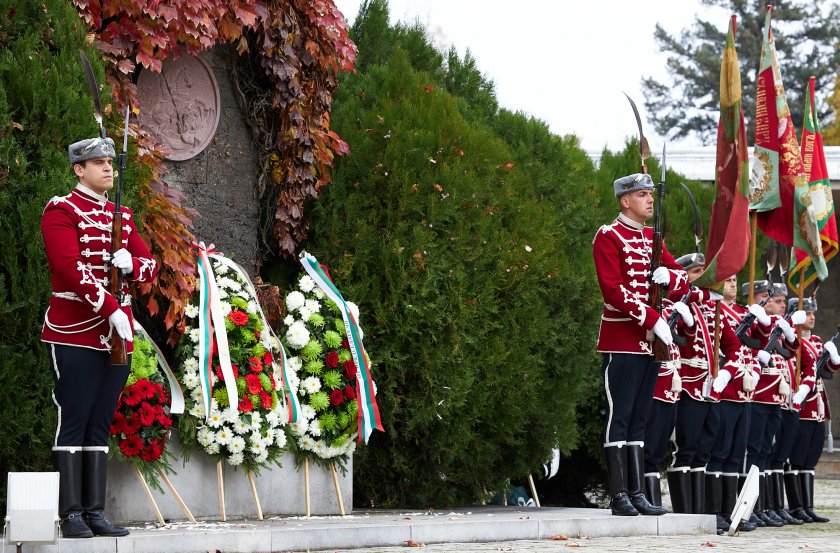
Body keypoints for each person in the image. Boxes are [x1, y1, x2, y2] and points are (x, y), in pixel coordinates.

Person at [41, 136, 158, 538]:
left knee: (100, 421)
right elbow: (68, 267)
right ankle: (70, 513)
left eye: (110, 161)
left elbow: (149, 266)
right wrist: (109, 307)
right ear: (79, 169)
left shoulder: (122, 217)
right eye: (97, 162)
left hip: (115, 336)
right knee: (73, 418)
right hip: (75, 330)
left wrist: (132, 265)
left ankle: (94, 511)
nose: (108, 168)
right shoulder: (61, 210)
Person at [592, 173, 689, 516]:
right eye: (642, 194)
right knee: (619, 416)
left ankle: (636, 493)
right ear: (624, 200)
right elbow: (613, 290)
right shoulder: (609, 236)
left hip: (650, 344)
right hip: (622, 340)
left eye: (651, 194)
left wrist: (670, 277)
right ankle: (619, 495)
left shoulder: (652, 239)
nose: (650, 200)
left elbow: (682, 279)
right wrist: (652, 318)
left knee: (639, 419)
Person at [705, 276, 763, 533]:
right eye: (727, 280)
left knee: (736, 456)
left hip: (745, 392)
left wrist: (760, 319)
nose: (732, 284)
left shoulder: (742, 313)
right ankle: (714, 512)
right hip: (726, 391)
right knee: (719, 453)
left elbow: (757, 343)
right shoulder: (718, 311)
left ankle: (731, 511)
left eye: (735, 280)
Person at [746, 283, 806, 527]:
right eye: (778, 301)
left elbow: (791, 352)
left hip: (775, 399)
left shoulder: (776, 325)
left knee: (765, 453)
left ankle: (763, 506)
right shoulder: (752, 320)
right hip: (757, 394)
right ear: (764, 301)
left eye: (783, 302)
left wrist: (790, 333)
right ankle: (751, 506)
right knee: (753, 452)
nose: (783, 305)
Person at [765, 297, 816, 525]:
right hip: (771, 398)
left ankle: (777, 507)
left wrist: (803, 389)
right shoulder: (768, 330)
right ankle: (766, 507)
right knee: (768, 455)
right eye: (777, 301)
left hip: (791, 402)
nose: (782, 305)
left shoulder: (793, 340)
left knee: (781, 456)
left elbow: (808, 365)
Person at [787, 298, 839, 523]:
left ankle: (808, 506)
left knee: (810, 459)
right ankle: (796, 506)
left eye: (813, 313)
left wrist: (833, 356)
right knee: (797, 458)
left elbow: (828, 370)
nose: (812, 316)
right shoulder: (793, 340)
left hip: (818, 407)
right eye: (807, 313)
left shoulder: (817, 341)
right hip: (803, 405)